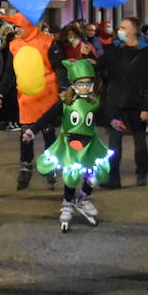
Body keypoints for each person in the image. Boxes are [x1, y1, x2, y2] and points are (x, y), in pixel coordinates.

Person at [37, 59, 113, 233]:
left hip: (90, 143)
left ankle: (83, 198)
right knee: (72, 174)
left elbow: (102, 117)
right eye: (81, 83)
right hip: (70, 143)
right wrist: (31, 130)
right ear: (73, 84)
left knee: (98, 172)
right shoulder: (66, 103)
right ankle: (67, 202)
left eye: (88, 83)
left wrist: (113, 122)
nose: (85, 87)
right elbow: (47, 117)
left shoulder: (94, 102)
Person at [0, 13, 61, 190]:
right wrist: (0, 93)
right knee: (26, 135)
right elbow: (10, 72)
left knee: (49, 134)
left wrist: (63, 88)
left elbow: (59, 67)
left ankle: (50, 167)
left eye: (18, 26)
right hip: (26, 99)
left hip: (47, 97)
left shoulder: (48, 43)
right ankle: (25, 167)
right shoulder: (14, 45)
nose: (15, 30)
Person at [96, 16, 148, 188]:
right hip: (116, 102)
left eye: (123, 27)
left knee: (139, 140)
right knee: (114, 141)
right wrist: (88, 56)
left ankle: (142, 173)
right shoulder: (115, 49)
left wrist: (147, 107)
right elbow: (100, 65)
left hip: (136, 102)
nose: (119, 30)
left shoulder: (146, 52)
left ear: (133, 31)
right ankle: (113, 178)